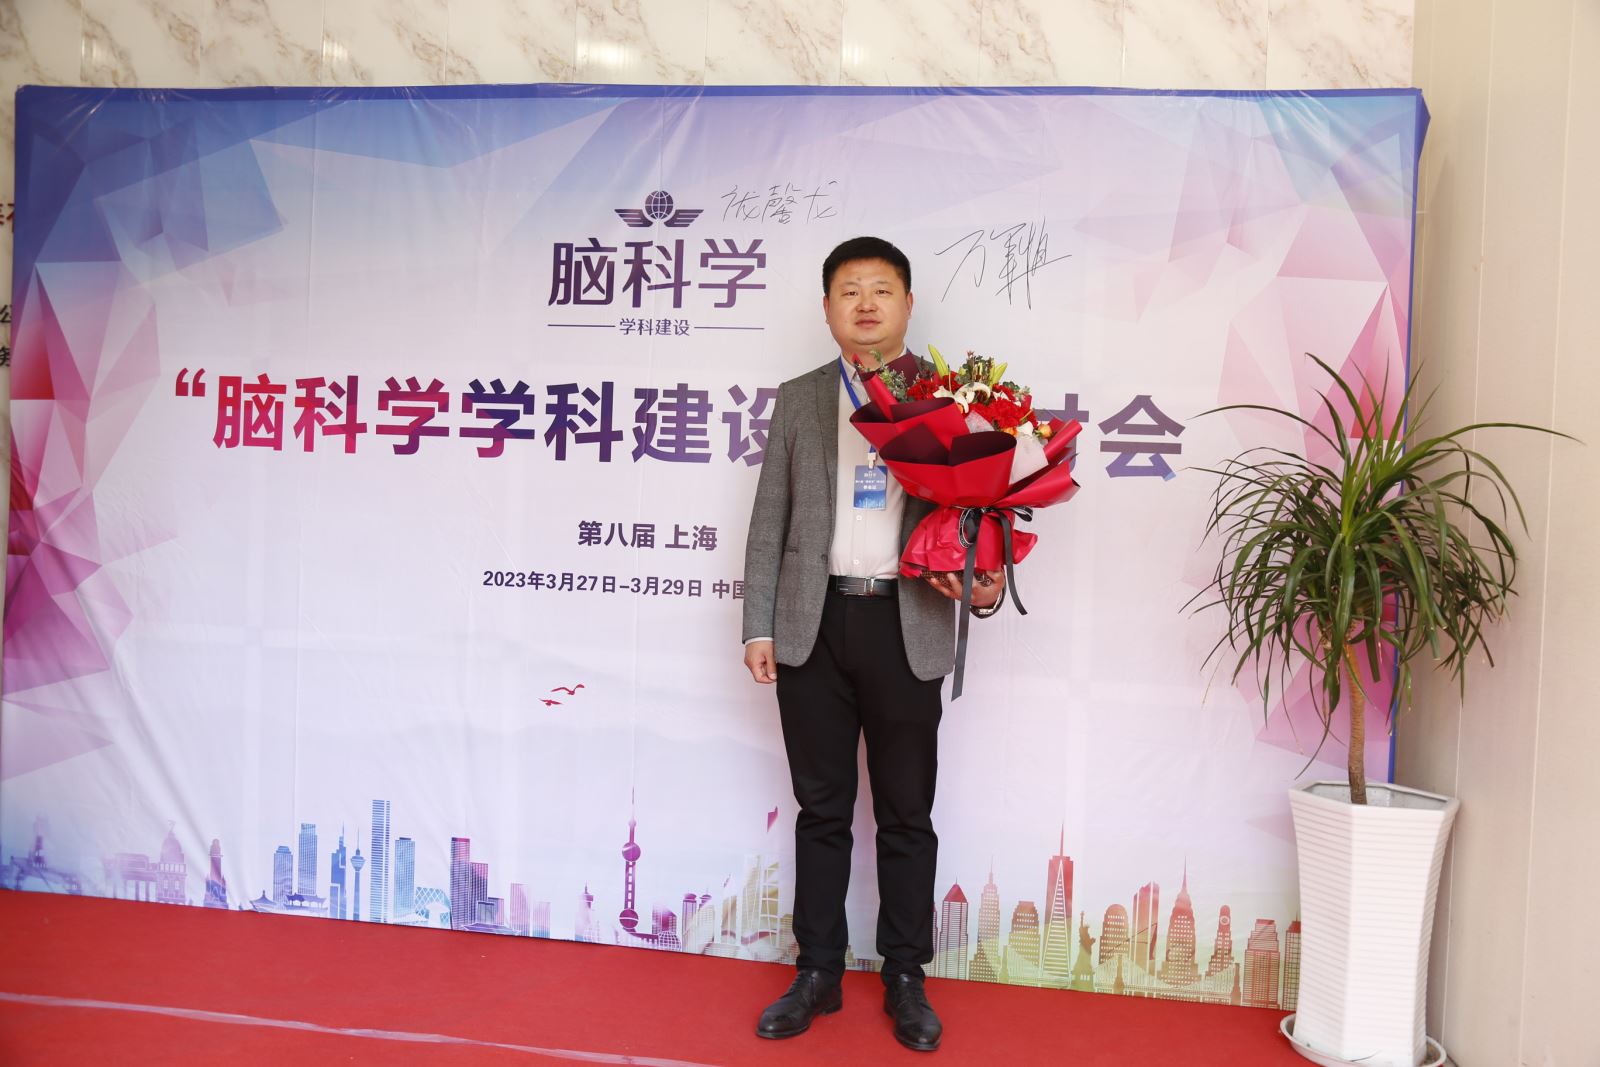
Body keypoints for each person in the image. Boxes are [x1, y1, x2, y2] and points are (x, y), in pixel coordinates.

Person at [741, 236, 1006, 1053]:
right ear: (827, 308)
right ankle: (817, 970)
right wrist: (760, 623)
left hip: (906, 623)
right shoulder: (800, 398)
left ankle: (905, 975)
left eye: (881, 289)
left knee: (905, 813)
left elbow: (982, 511)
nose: (865, 303)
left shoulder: (952, 399)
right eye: (849, 290)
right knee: (821, 809)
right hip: (813, 623)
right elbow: (769, 521)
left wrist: (985, 580)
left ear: (907, 304)